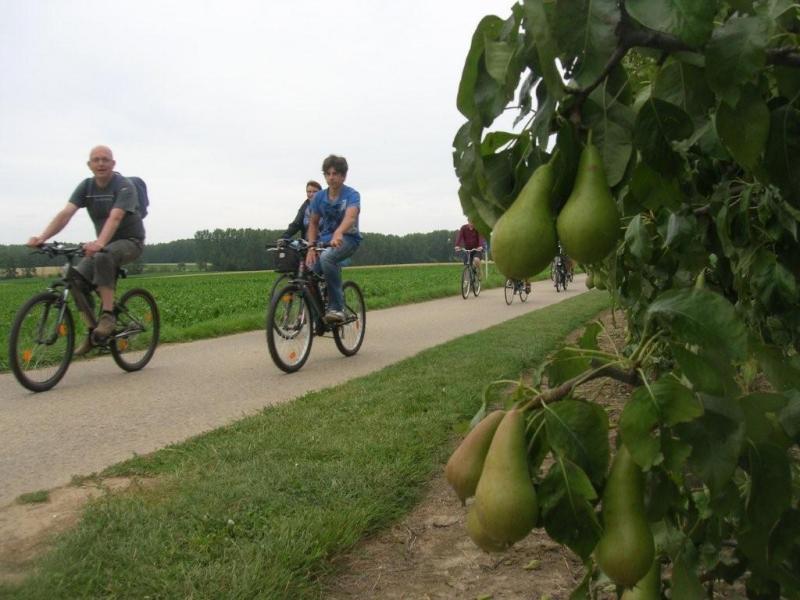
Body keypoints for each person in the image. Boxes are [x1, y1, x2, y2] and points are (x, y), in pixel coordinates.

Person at [26, 145, 146, 354]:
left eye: (105, 159)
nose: (100, 163)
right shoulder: (86, 187)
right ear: (89, 164)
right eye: (96, 160)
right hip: (104, 242)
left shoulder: (124, 186)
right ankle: (94, 332)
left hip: (130, 241)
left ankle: (107, 316)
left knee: (103, 256)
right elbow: (66, 214)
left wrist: (99, 243)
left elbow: (115, 217)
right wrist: (42, 238)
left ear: (113, 164)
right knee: (76, 280)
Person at [305, 154, 361, 324]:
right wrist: (311, 247)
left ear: (343, 176)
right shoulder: (319, 197)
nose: (331, 177)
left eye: (335, 173)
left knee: (327, 258)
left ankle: (337, 308)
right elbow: (313, 223)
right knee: (307, 272)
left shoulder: (352, 195)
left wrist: (339, 232)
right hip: (325, 241)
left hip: (348, 239)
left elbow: (351, 217)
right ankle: (317, 319)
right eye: (327, 174)